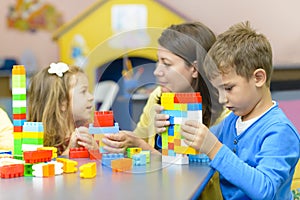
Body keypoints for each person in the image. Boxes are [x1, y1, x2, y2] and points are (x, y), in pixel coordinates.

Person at [181, 21, 300, 199]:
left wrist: (214, 148)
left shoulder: (280, 131)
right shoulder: (233, 120)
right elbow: (195, 146)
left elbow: (265, 190)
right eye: (218, 90)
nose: (222, 99)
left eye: (228, 88)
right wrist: (170, 127)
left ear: (258, 78)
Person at [102, 21, 229, 153]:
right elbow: (138, 140)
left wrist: (141, 144)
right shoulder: (157, 95)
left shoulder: (225, 110)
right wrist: (120, 142)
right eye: (158, 61)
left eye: (167, 64)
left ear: (195, 69)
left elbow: (200, 169)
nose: (156, 72)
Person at [27, 62, 98, 156]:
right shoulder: (39, 140)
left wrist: (95, 150)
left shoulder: (89, 131)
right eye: (83, 91)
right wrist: (69, 152)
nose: (91, 97)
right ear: (62, 102)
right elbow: (41, 167)